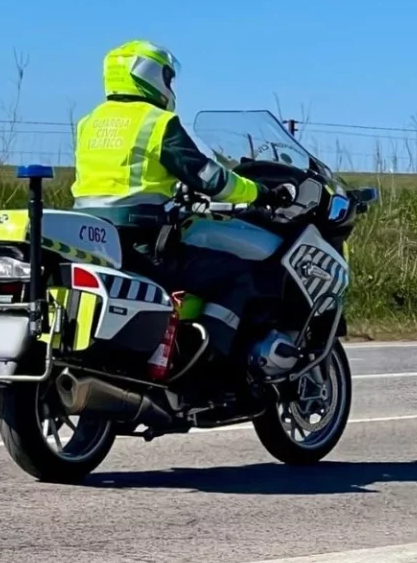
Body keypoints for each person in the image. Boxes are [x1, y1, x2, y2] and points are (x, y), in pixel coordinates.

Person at [71, 39, 291, 379]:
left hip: (94, 241)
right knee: (237, 275)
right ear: (147, 74)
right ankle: (210, 363)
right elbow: (207, 175)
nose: (170, 86)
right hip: (144, 242)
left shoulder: (89, 123)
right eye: (168, 77)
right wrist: (258, 192)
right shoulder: (155, 122)